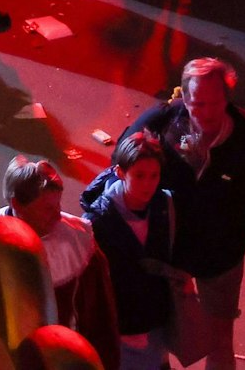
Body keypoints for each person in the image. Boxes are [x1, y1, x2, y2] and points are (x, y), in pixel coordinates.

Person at [121, 57, 245, 370]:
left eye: (215, 103)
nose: (206, 113)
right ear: (184, 99)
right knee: (156, 332)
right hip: (167, 251)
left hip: (221, 253)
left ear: (227, 98)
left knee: (220, 339)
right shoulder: (160, 125)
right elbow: (121, 162)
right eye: (197, 104)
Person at [0, 158, 118, 365]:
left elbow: (101, 318)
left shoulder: (79, 243)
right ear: (17, 203)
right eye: (47, 208)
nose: (58, 216)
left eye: (58, 205)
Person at [82, 130, 178, 370]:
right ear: (120, 173)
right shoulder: (99, 221)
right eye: (140, 176)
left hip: (156, 319)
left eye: (154, 176)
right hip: (124, 327)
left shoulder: (163, 205)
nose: (148, 185)